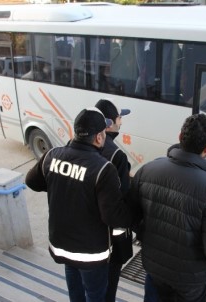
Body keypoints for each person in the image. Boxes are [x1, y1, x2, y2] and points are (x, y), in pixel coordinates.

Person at [25, 107, 133, 301]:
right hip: (91, 254)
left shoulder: (52, 155)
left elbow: (31, 181)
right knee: (95, 295)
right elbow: (112, 216)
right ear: (100, 137)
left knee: (75, 294)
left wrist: (60, 187)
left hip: (62, 246)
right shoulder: (103, 169)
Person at [129, 113, 206, 302]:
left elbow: (133, 218)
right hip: (191, 281)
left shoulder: (148, 170)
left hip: (154, 269)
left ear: (180, 137)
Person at [95, 99, 133, 302]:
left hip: (84, 235)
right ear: (109, 123)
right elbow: (123, 200)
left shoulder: (74, 147)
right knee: (107, 291)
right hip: (110, 241)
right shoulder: (116, 155)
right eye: (120, 118)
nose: (122, 122)